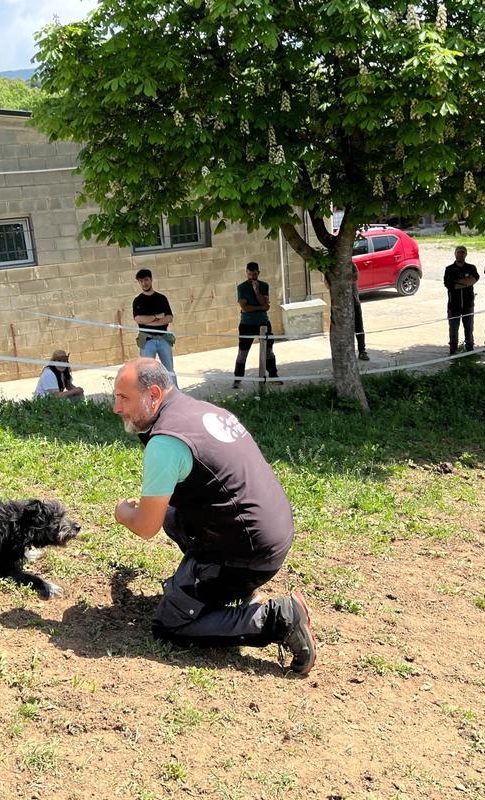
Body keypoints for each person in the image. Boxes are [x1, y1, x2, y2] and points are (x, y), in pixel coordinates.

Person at [111, 358, 317, 675]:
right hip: (272, 531)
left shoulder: (166, 442)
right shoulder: (202, 411)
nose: (116, 408)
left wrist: (124, 513)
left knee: (171, 624)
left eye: (123, 398)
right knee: (171, 514)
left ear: (153, 393)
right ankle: (230, 589)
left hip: (250, 553)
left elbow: (145, 526)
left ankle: (279, 618)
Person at [233, 262, 282, 388]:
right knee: (243, 352)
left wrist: (256, 291)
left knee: (269, 352)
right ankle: (237, 379)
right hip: (247, 324)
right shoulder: (242, 287)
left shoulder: (264, 285)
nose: (252, 276)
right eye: (250, 274)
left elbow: (265, 306)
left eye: (254, 274)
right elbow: (244, 308)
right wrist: (261, 307)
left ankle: (273, 375)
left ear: (258, 273)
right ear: (246, 273)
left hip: (263, 323)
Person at [132, 268, 177, 385]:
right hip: (147, 340)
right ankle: (150, 399)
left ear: (151, 280)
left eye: (146, 280)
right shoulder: (138, 301)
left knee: (169, 371)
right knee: (147, 372)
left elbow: (169, 318)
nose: (144, 283)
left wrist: (149, 321)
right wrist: (157, 317)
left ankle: (176, 398)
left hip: (163, 338)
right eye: (141, 281)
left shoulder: (161, 298)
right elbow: (138, 319)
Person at [443, 246, 479, 355]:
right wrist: (466, 282)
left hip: (468, 304)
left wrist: (458, 282)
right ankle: (453, 350)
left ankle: (469, 350)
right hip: (453, 305)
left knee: (469, 329)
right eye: (458, 252)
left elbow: (474, 279)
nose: (460, 254)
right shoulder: (449, 269)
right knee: (453, 329)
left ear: (466, 254)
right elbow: (449, 284)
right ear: (455, 254)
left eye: (463, 252)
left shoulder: (471, 267)